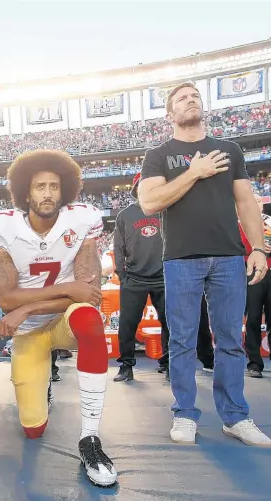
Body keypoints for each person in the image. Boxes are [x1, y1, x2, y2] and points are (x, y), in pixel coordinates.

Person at [139, 82, 271, 447]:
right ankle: (184, 413)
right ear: (170, 115)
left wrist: (258, 248)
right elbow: (150, 202)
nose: (190, 99)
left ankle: (236, 417)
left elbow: (246, 203)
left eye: (195, 95)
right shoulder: (158, 154)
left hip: (229, 257)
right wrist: (194, 172)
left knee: (230, 340)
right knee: (181, 340)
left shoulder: (228, 150)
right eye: (181, 98)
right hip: (181, 258)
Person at [0, 149, 117, 487]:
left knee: (88, 316)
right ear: (25, 192)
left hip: (61, 323)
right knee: (33, 430)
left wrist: (28, 307)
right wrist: (64, 290)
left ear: (65, 190)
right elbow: (7, 298)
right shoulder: (2, 227)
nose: (47, 193)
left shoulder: (82, 220)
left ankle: (90, 438)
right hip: (28, 334)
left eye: (54, 186)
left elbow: (86, 294)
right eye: (39, 186)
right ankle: (42, 390)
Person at [113, 171, 169, 381]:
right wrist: (121, 274)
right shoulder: (125, 215)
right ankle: (126, 365)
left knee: (170, 323)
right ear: (137, 189)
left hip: (163, 277)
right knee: (127, 324)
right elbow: (118, 247)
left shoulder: (166, 211)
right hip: (134, 278)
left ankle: (168, 363)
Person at [240, 193, 271, 378]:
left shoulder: (269, 220)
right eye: (254, 200)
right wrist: (257, 247)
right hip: (252, 272)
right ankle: (254, 363)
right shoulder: (241, 222)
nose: (257, 203)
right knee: (253, 318)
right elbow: (241, 246)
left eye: (259, 201)